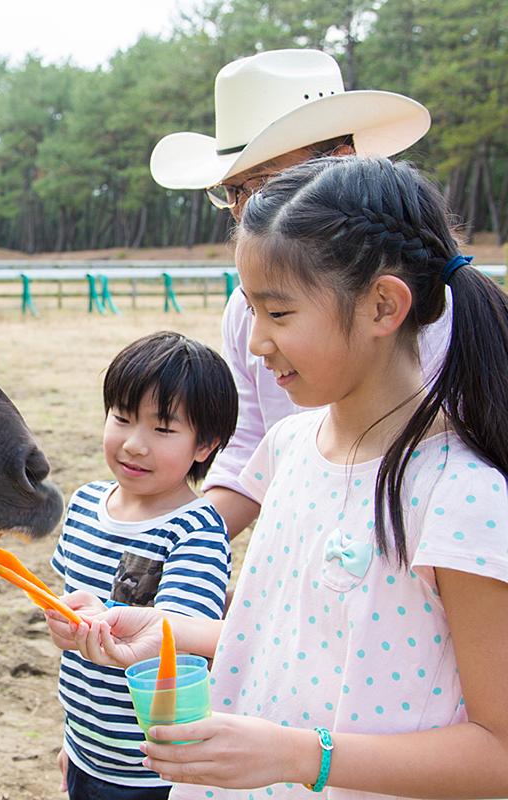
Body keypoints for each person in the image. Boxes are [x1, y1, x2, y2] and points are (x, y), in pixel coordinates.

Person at [49, 157, 508, 799]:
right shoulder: (289, 447)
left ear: (383, 305)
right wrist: (166, 632)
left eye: (278, 313)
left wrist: (300, 757)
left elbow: (499, 752)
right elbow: (285, 631)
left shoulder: (460, 493)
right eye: (251, 310)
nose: (256, 342)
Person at [149, 48, 450, 538]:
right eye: (234, 190)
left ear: (343, 161)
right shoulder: (246, 313)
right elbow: (250, 446)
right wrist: (178, 546)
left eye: (266, 183)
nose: (247, 212)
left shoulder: (433, 308)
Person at [48, 331, 238, 799]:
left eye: (163, 429)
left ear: (205, 445)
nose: (134, 444)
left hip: (154, 769)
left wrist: (104, 621)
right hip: (86, 746)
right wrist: (65, 624)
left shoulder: (195, 529)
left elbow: (182, 636)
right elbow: (72, 608)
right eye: (123, 418)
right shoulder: (85, 502)